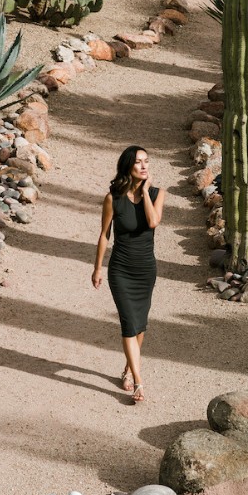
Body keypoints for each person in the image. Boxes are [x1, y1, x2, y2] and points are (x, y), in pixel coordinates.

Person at [91, 145, 165, 404]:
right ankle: (139, 382)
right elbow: (104, 234)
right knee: (128, 324)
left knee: (140, 324)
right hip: (121, 270)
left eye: (147, 161)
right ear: (128, 167)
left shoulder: (157, 193)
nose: (144, 166)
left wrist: (145, 192)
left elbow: (153, 221)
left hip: (145, 269)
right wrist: (97, 268)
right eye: (138, 162)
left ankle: (127, 370)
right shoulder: (113, 198)